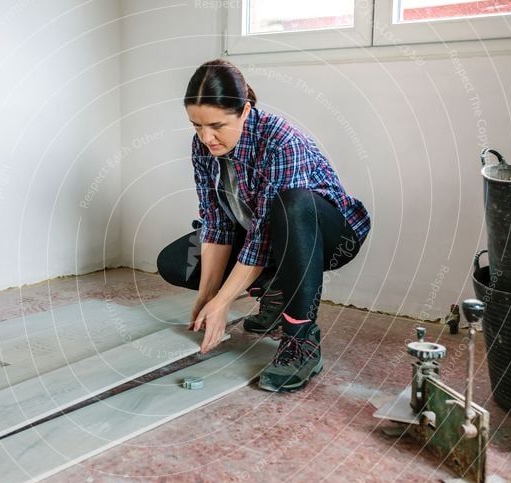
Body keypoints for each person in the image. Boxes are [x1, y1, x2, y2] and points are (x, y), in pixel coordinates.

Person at [157, 59, 370, 393]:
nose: (206, 137)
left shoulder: (281, 140)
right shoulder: (202, 146)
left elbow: (263, 236)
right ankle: (274, 294)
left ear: (244, 110)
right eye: (196, 126)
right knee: (175, 262)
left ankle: (301, 340)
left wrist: (225, 301)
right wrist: (208, 296)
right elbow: (216, 223)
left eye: (216, 125)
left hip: (325, 236)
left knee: (293, 203)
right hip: (265, 239)